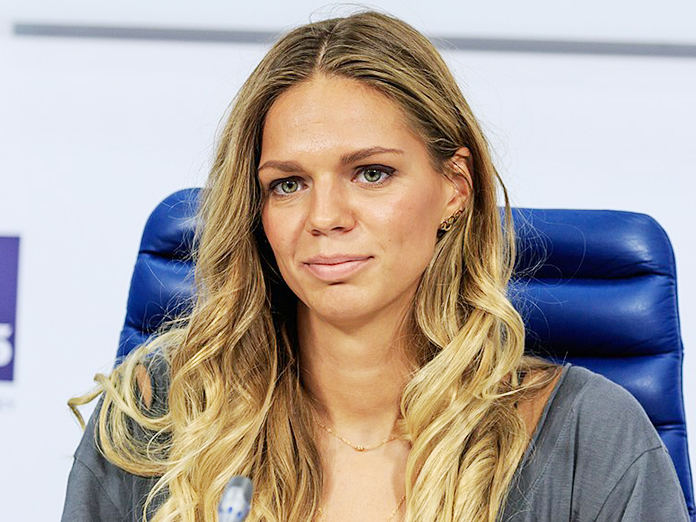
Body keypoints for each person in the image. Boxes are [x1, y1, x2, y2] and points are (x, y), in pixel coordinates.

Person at [61, 10, 690, 522]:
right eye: (287, 184)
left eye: (371, 173)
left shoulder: (589, 437)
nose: (324, 216)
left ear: (455, 186)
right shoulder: (158, 415)